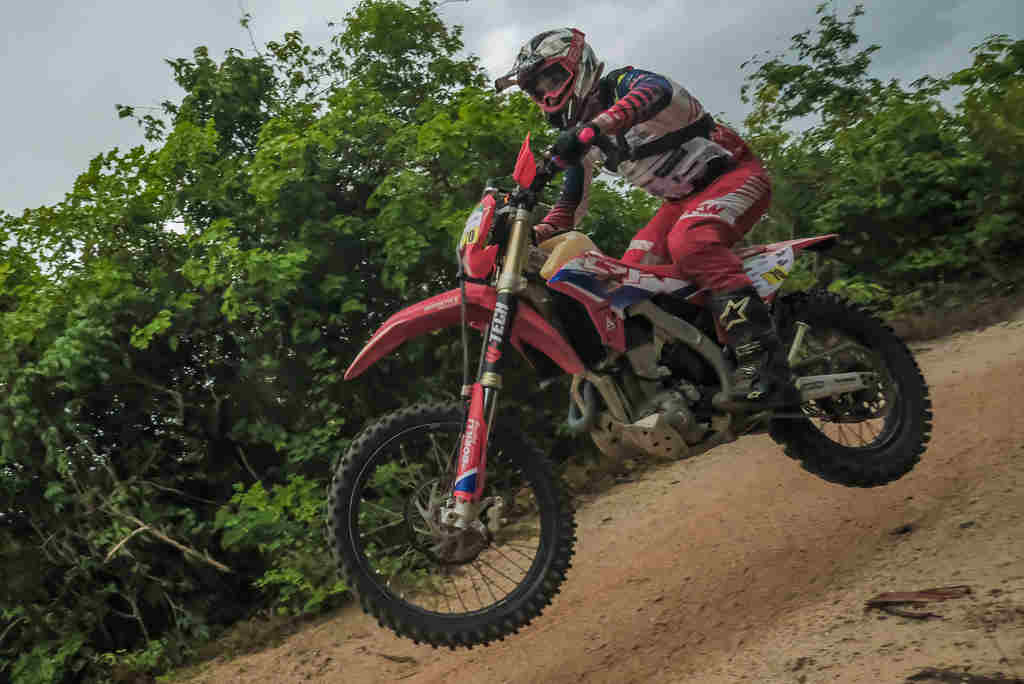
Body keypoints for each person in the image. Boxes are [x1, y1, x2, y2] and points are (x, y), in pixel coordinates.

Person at [496, 27, 796, 406]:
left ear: (579, 65)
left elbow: (659, 91)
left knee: (691, 242)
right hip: (681, 203)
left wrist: (594, 128)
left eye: (552, 78)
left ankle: (764, 364)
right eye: (537, 89)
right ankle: (691, 367)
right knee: (625, 278)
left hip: (733, 175)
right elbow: (566, 212)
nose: (547, 93)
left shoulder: (624, 85)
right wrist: (526, 235)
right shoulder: (581, 139)